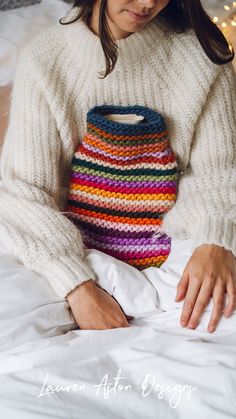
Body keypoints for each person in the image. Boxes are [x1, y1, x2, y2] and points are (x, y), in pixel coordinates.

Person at [0, 0, 235, 333]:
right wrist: (76, 286)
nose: (148, 3)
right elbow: (24, 194)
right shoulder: (44, 60)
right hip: (70, 251)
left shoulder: (203, 55)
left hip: (174, 251)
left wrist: (216, 240)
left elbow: (220, 173)